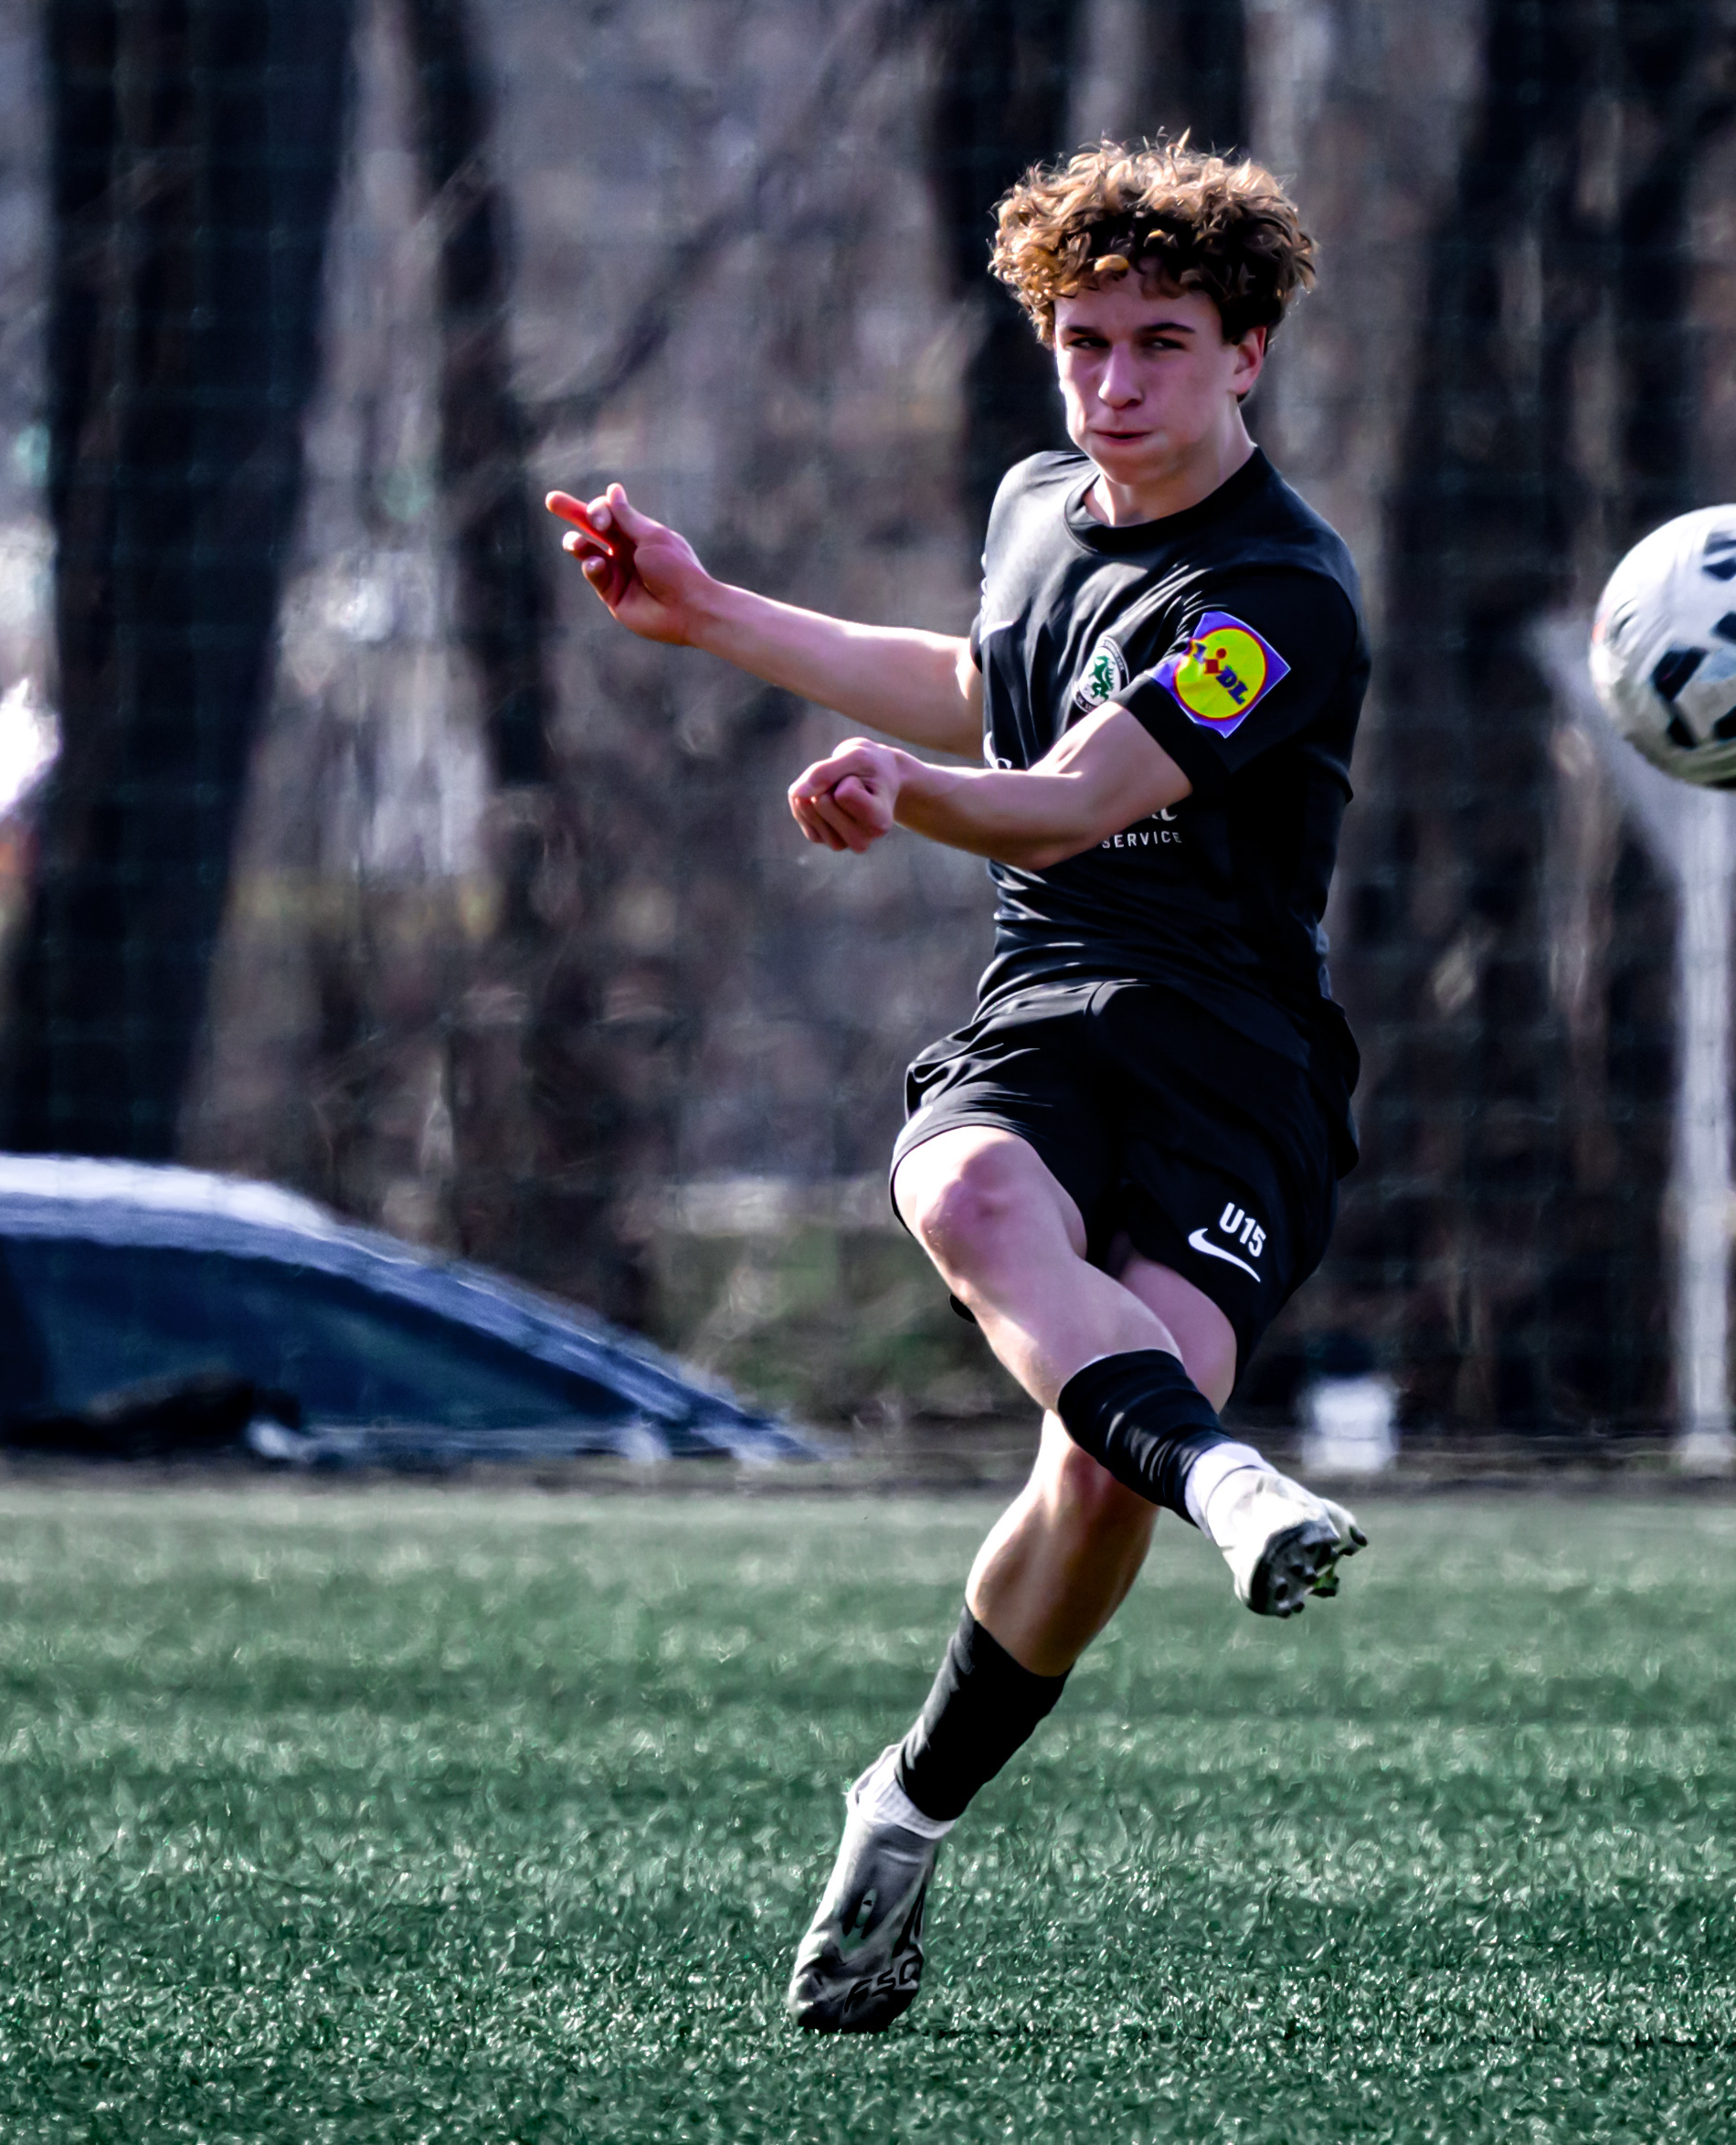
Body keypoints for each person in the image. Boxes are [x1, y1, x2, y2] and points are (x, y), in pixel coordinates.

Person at [545, 137, 1371, 2034]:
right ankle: (1230, 1486)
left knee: (1092, 1471)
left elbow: (1078, 794)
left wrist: (905, 797)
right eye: (1082, 344)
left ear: (1248, 353)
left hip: (1231, 1061)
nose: (1113, 387)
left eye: (1160, 344)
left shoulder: (1282, 594)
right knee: (966, 1191)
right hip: (1046, 998)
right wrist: (710, 611)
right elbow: (985, 686)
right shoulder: (1031, 504)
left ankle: (901, 1814)